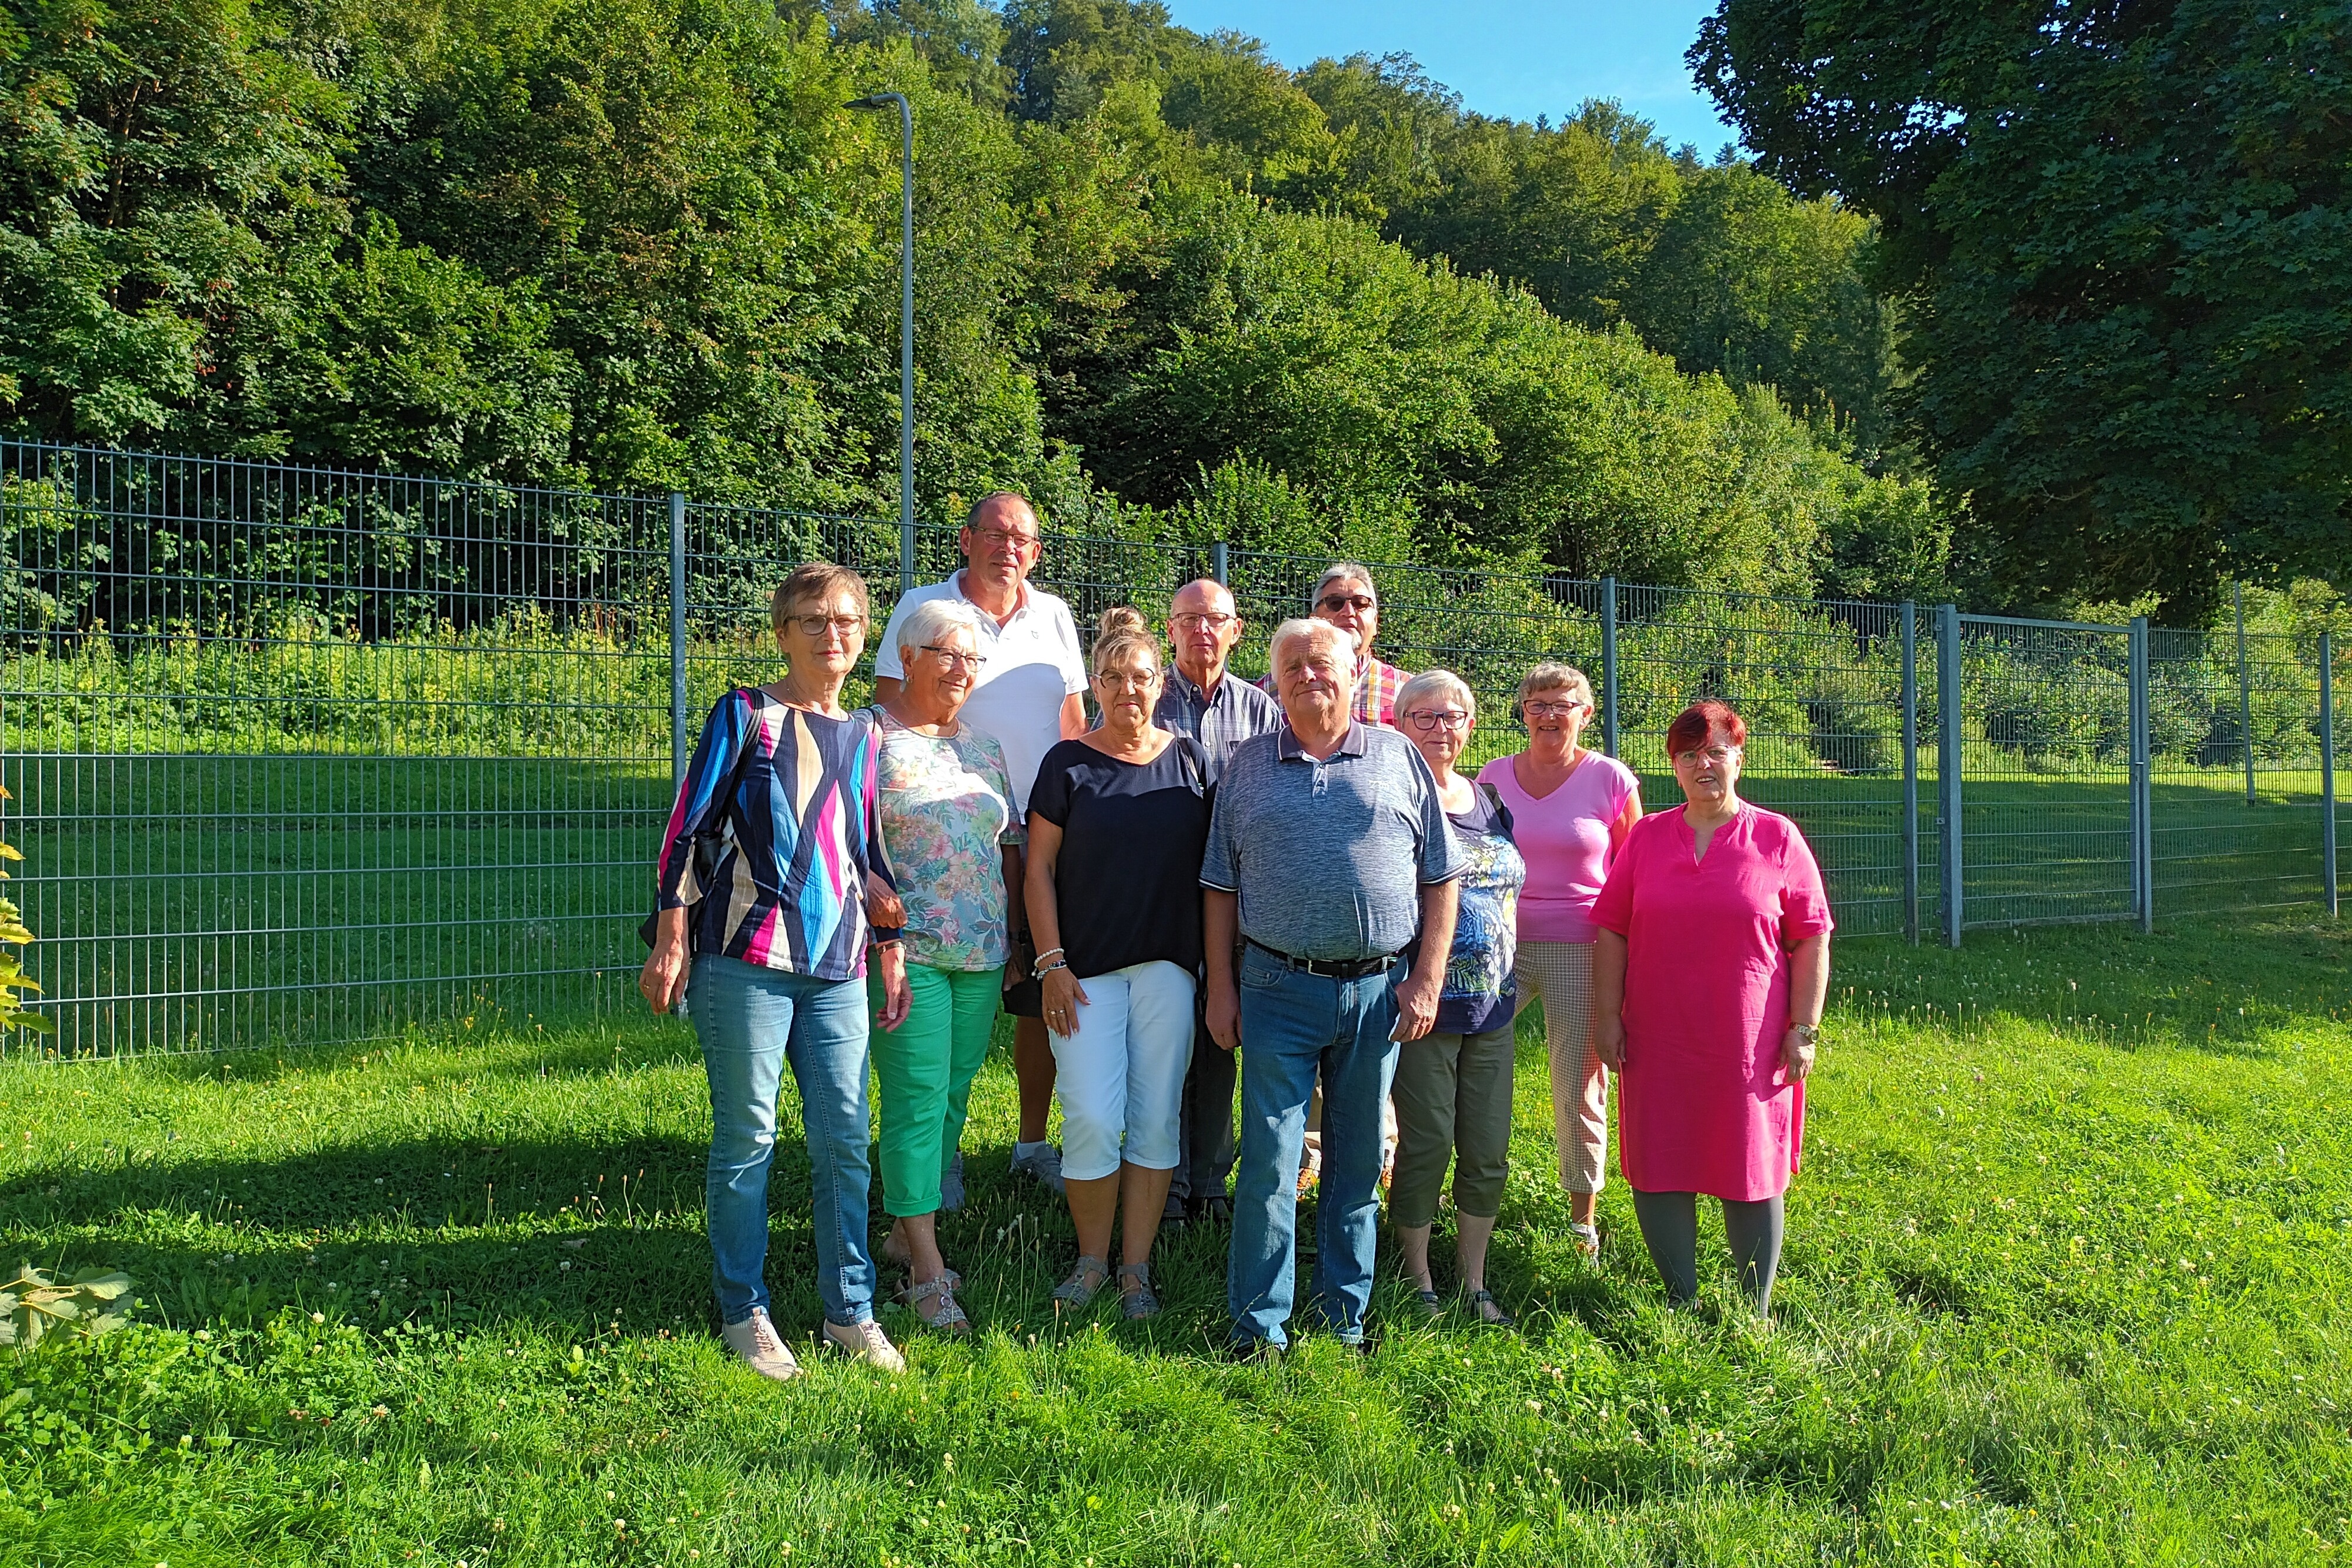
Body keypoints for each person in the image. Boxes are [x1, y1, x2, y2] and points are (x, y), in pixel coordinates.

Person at [641, 562, 909, 1379]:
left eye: (848, 620)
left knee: (845, 1142)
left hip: (837, 967)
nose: (833, 634)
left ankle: (850, 1311)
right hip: (745, 963)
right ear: (783, 632)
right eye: (813, 619)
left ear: (864, 635)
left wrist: (891, 947)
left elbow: (867, 850)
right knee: (748, 1137)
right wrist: (671, 937)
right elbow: (688, 829)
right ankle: (744, 1310)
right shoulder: (746, 713)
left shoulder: (864, 734)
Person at [1204, 617, 1461, 1356]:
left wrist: (1426, 979)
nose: (1308, 676)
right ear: (1274, 683)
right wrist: (1221, 988)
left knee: (1356, 1162)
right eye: (1292, 667)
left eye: (1322, 663)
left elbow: (1440, 876)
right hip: (1274, 987)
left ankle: (1344, 1320)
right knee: (1269, 1163)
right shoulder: (1247, 765)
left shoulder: (1398, 756)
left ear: (1354, 673)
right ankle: (1259, 1327)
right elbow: (1218, 886)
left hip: (1378, 993)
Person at [874, 492, 1087, 1198]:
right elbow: (891, 708)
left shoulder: (1054, 616)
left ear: (1036, 551)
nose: (1007, 548)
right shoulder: (921, 606)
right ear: (966, 540)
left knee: (1036, 994)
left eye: (1021, 538)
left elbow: (1073, 722)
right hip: (936, 833)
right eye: (994, 534)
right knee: (929, 1041)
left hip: (1033, 831)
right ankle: (931, 1165)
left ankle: (1030, 1143)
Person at [1591, 699, 1833, 1318]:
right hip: (1657, 1034)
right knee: (1660, 1160)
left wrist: (1804, 1028)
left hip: (1749, 1041)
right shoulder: (1646, 838)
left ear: (1738, 760)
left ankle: (1753, 1310)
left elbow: (1812, 937)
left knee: (1750, 1162)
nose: (1704, 765)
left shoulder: (1777, 837)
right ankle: (1680, 1299)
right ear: (1673, 766)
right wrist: (1607, 1016)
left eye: (1717, 752)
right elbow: (1612, 929)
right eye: (1690, 755)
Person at [1026, 608, 1215, 1319]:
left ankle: (1135, 1269)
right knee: (1092, 1118)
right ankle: (1090, 1261)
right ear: (1095, 686)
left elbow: (1216, 876)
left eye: (1139, 677)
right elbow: (1037, 870)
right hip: (1082, 973)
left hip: (1169, 969)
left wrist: (1214, 971)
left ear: (1160, 683)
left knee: (1155, 1118)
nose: (1127, 689)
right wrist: (1050, 963)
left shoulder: (1192, 761)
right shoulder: (1066, 764)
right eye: (1112, 677)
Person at [864, 598, 1028, 1337]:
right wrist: (875, 905)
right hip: (908, 954)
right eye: (947, 654)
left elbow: (1008, 848)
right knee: (917, 1098)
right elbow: (842, 836)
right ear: (908, 658)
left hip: (983, 952)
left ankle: (905, 1230)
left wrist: (1019, 939)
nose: (962, 669)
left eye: (972, 658)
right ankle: (926, 1270)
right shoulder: (870, 737)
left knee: (955, 1096)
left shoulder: (985, 749)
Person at [1474, 664, 1641, 1263]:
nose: (1549, 715)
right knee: (1467, 1064)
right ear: (1522, 712)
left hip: (1583, 946)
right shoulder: (1492, 776)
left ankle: (1581, 1220)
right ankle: (1466, 1196)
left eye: (1562, 704)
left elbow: (1634, 870)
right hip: (1500, 945)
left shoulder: (1610, 779)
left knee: (1578, 1083)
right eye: (1537, 704)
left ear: (1586, 714)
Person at [1387, 670, 1528, 1327]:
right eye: (1425, 716)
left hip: (1493, 1006)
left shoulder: (1491, 800)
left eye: (1453, 716)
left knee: (1488, 1147)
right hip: (1425, 1007)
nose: (1441, 728)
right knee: (1427, 1143)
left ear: (1471, 725)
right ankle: (1416, 1275)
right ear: (1399, 725)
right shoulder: (1394, 796)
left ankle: (1474, 1278)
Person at [1153, 578, 1283, 1226]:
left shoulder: (1264, 712)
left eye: (1215, 619)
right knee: (1166, 1039)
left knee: (1220, 1032)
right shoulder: (1141, 698)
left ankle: (1209, 1179)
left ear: (1237, 631)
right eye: (1189, 619)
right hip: (1161, 893)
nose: (1202, 630)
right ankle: (1167, 1182)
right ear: (1170, 630)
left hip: (1238, 898)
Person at [1258, 561, 1407, 727]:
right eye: (1335, 603)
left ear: (1375, 622)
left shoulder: (1405, 689)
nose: (1349, 612)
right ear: (1314, 619)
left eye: (1360, 603)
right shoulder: (1268, 691)